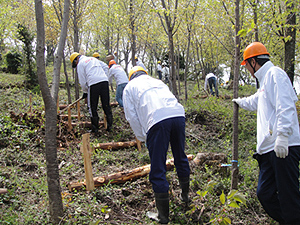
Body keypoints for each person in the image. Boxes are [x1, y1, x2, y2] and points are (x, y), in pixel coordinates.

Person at [232, 42, 300, 224]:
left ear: (253, 61)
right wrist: (239, 101)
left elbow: (285, 105)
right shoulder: (264, 83)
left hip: (283, 146)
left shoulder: (275, 74)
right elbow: (256, 101)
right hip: (269, 150)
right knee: (265, 193)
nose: (247, 70)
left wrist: (283, 135)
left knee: (288, 196)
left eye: (247, 65)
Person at [123, 66, 191, 224]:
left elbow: (131, 116)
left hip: (157, 120)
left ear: (131, 77)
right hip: (178, 115)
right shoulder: (157, 81)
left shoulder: (129, 88)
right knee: (180, 156)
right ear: (145, 73)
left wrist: (142, 136)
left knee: (158, 167)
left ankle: (163, 216)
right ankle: (185, 196)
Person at [70, 52, 113, 132]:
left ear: (77, 59)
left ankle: (95, 129)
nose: (76, 64)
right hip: (104, 81)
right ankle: (110, 127)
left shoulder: (80, 64)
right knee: (106, 104)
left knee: (92, 107)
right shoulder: (93, 59)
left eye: (75, 63)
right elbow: (105, 67)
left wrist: (85, 92)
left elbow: (82, 81)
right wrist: (104, 77)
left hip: (93, 84)